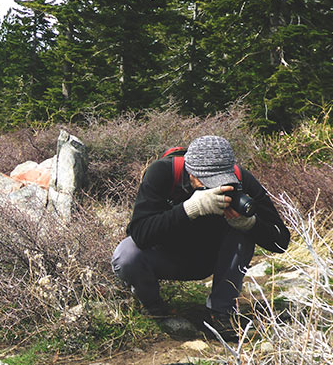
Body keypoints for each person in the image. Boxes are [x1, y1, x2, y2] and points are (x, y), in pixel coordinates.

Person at [111, 135, 290, 337]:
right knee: (126, 254)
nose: (215, 187)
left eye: (223, 181)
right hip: (167, 257)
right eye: (208, 181)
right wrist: (190, 208)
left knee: (245, 230)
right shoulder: (162, 173)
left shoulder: (242, 179)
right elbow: (139, 234)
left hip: (211, 259)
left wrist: (249, 224)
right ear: (191, 173)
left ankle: (220, 313)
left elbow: (281, 241)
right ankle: (154, 308)